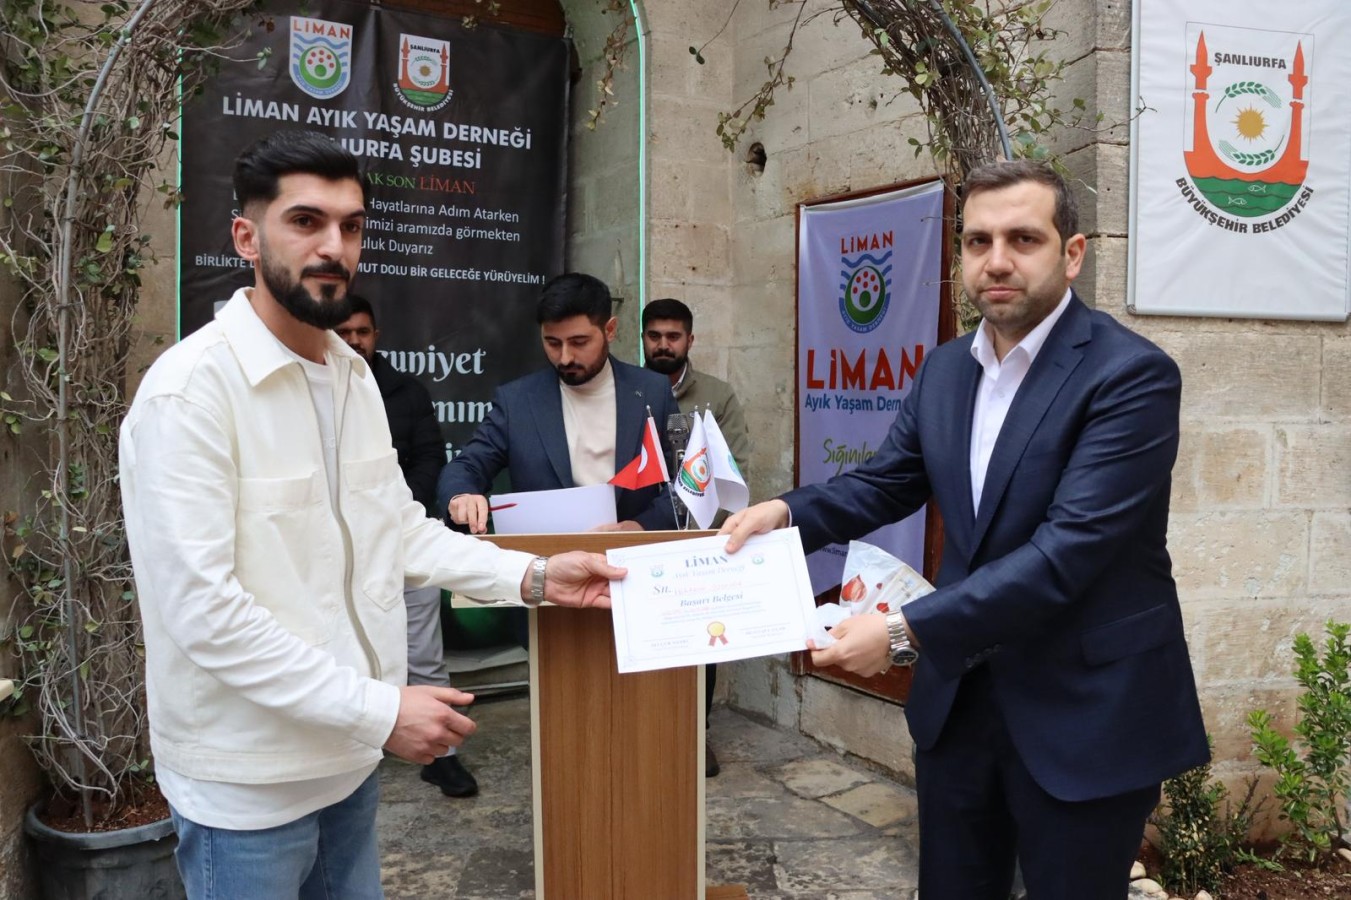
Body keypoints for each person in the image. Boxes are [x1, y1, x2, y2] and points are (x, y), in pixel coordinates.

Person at [120, 130, 624, 900]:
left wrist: (536, 576)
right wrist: (381, 711)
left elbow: (398, 529)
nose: (334, 246)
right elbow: (204, 614)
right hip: (249, 788)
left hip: (349, 764)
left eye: (350, 226)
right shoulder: (189, 394)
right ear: (247, 238)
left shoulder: (351, 376)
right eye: (306, 221)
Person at [721, 159, 1209, 900]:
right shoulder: (946, 368)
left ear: (1072, 254)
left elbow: (1065, 555)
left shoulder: (1130, 376)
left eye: (1023, 239)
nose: (997, 260)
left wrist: (900, 632)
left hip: (1085, 710)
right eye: (978, 241)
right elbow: (886, 481)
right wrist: (785, 514)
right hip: (961, 706)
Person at [335, 296, 479, 799]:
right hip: (338, 549)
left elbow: (429, 458)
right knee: (342, 653)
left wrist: (394, 511)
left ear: (376, 335)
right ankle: (353, 755)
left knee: (424, 652)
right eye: (344, 331)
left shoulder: (407, 392)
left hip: (403, 538)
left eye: (362, 331)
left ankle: (444, 755)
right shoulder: (315, 391)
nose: (354, 340)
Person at [436, 272, 680, 534]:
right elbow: (466, 465)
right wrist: (461, 495)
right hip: (547, 553)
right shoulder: (517, 402)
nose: (565, 358)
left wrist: (642, 526)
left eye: (579, 342)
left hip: (630, 551)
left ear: (609, 330)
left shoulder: (652, 391)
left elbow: (687, 480)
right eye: (552, 343)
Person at [642, 297, 751, 777]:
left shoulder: (717, 396)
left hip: (698, 538)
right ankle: (645, 727)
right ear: (642, 338)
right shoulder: (627, 390)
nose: (663, 345)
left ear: (690, 340)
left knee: (702, 640)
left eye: (673, 336)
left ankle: (695, 732)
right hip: (639, 535)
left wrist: (711, 534)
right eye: (654, 336)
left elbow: (733, 470)